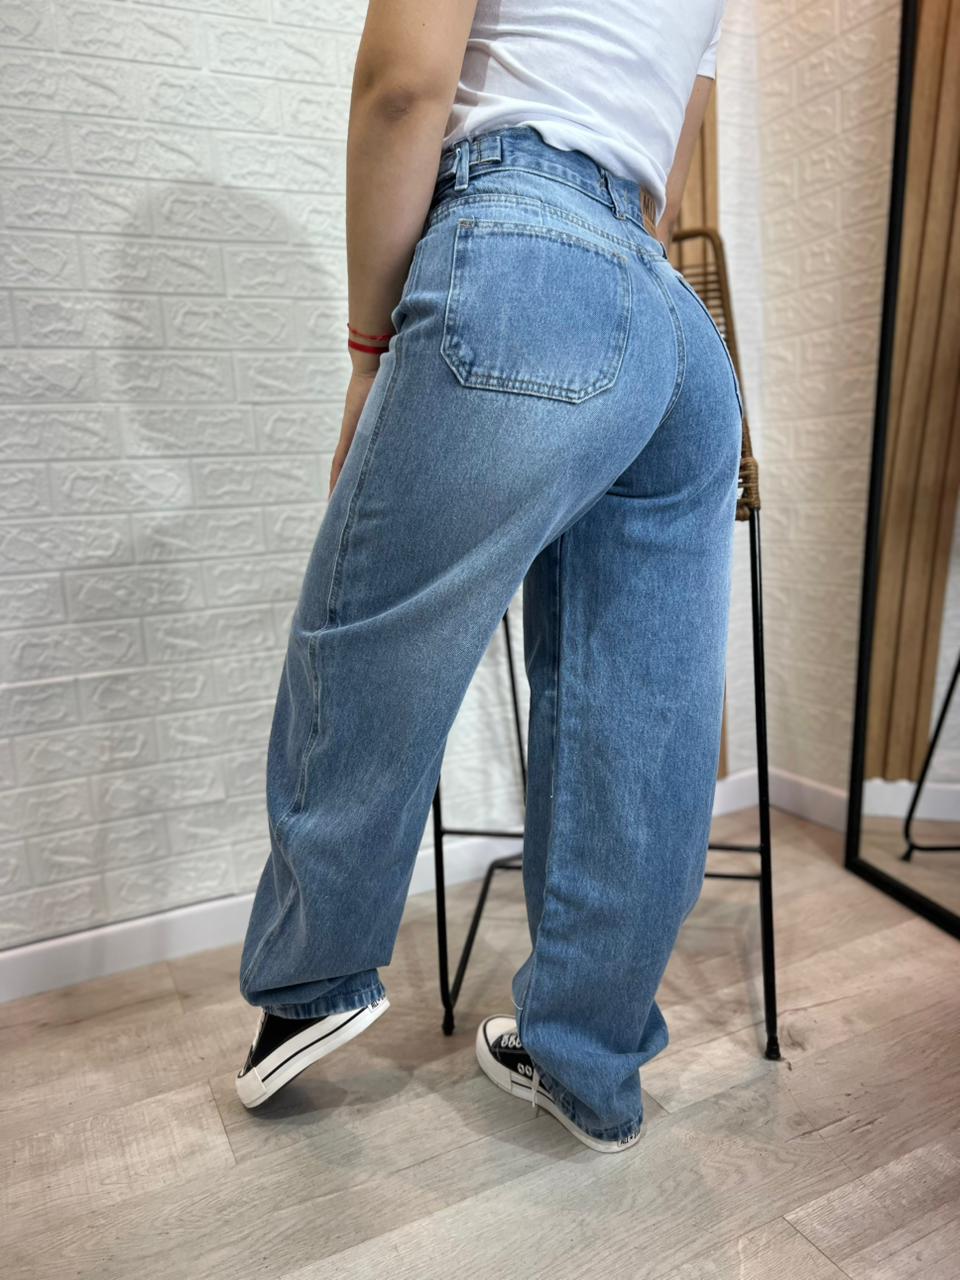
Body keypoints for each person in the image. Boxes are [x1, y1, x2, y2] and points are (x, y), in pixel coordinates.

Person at [235, 0, 740, 1155]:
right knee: (641, 712)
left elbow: (404, 86)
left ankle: (312, 977)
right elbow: (670, 163)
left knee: (373, 622)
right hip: (671, 321)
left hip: (524, 245)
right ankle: (591, 1057)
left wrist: (368, 352)